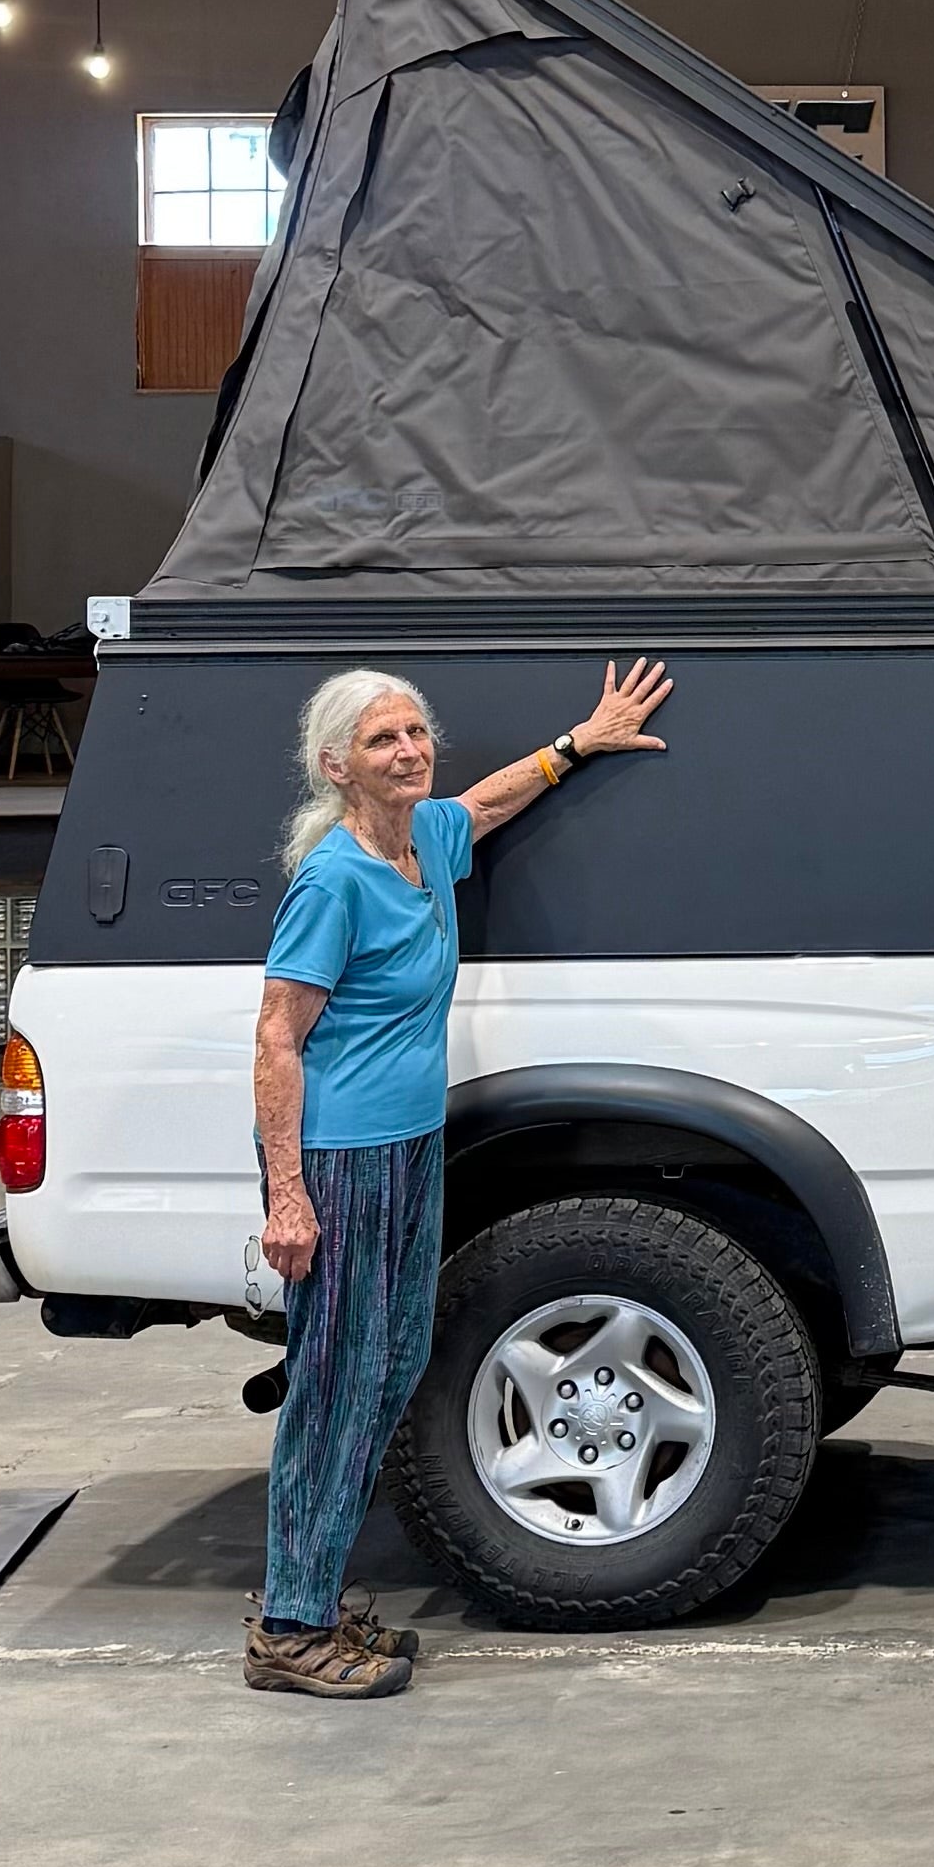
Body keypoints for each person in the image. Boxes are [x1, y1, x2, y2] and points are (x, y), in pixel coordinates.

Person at [246, 657, 673, 1698]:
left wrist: (582, 738)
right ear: (336, 765)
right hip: (343, 1162)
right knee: (336, 1389)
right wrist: (288, 1194)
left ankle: (310, 1593)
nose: (409, 751)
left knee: (388, 1371)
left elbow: (487, 801)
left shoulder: (424, 842)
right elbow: (275, 1039)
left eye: (416, 733)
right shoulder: (334, 879)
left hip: (413, 1146)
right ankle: (288, 1627)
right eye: (384, 740)